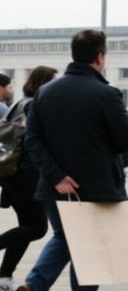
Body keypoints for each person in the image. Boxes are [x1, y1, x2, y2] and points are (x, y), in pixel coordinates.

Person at [19, 29, 128, 291]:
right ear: (100, 57)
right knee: (91, 248)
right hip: (96, 185)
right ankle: (37, 284)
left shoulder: (45, 93)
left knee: (65, 237)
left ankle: (35, 284)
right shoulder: (107, 94)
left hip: (55, 184)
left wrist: (56, 175)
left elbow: (33, 141)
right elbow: (126, 140)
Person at [0, 67, 57, 290]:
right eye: (53, 82)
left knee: (26, 226)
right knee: (36, 228)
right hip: (26, 174)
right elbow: (38, 142)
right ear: (43, 83)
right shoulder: (34, 105)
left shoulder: (18, 104)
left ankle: (4, 276)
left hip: (13, 173)